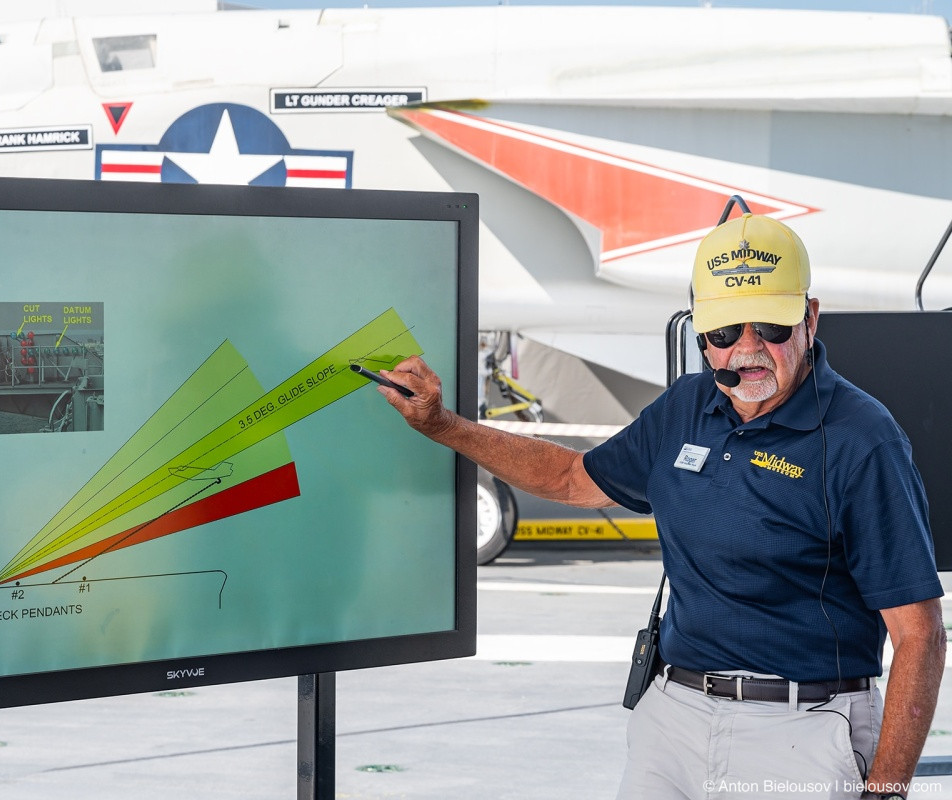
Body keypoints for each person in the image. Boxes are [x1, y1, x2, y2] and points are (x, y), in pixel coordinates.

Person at [372, 213, 946, 800]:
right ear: (700, 334)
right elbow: (573, 478)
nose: (747, 349)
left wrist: (885, 792)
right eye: (723, 333)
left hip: (802, 727)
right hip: (672, 721)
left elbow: (920, 636)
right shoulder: (686, 407)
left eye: (771, 326)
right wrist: (443, 425)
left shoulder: (861, 438)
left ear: (810, 317)